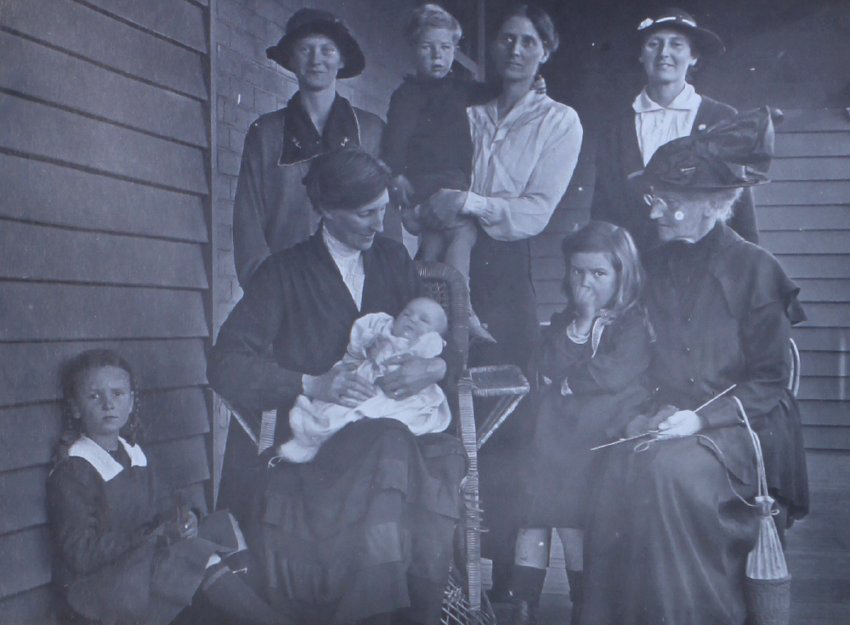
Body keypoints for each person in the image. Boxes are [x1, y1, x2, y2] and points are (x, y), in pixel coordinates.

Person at [208, 148, 467, 625]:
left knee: (435, 454)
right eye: (365, 213)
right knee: (391, 445)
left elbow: (440, 338)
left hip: (396, 437)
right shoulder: (283, 272)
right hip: (324, 446)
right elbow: (225, 364)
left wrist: (435, 368)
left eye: (383, 211)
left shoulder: (391, 260)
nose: (378, 224)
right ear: (328, 209)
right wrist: (311, 381)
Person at [580, 107, 809, 625]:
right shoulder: (653, 267)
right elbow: (635, 357)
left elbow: (770, 380)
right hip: (669, 416)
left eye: (668, 202)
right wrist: (640, 413)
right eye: (652, 199)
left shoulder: (757, 269)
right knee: (613, 468)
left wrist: (701, 420)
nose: (655, 213)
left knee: (670, 475)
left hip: (746, 427)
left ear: (710, 205)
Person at [418, 2, 583, 597]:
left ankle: (508, 584)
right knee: (441, 408)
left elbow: (534, 213)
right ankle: (448, 573)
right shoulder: (468, 112)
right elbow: (429, 183)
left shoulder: (559, 121)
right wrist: (444, 206)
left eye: (529, 41)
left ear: (546, 50)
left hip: (506, 270)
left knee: (505, 424)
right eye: (507, 38)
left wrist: (467, 203)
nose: (515, 49)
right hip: (447, 264)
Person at [47, 349, 280, 625]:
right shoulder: (75, 469)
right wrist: (150, 537)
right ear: (75, 407)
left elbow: (171, 504)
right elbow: (81, 554)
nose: (108, 404)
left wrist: (187, 519)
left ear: (131, 402)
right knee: (195, 554)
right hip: (103, 588)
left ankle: (258, 610)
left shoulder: (133, 454)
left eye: (118, 394)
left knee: (221, 523)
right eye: (94, 396)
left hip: (143, 563)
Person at [508, 222, 651, 625]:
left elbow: (616, 372)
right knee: (534, 515)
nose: (585, 283)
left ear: (623, 276)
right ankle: (523, 603)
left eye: (598, 274)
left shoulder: (631, 325)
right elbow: (545, 366)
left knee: (574, 522)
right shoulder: (563, 324)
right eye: (577, 272)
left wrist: (571, 380)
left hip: (598, 435)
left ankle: (585, 604)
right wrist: (583, 322)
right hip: (555, 437)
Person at [233, 8, 390, 285]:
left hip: (357, 289)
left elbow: (388, 224)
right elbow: (249, 225)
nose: (316, 60)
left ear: (341, 60)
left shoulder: (371, 131)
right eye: (305, 49)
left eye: (327, 50)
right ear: (291, 59)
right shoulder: (265, 134)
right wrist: (268, 291)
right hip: (286, 289)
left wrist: (383, 286)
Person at [590, 7, 759, 252]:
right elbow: (602, 212)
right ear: (641, 55)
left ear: (693, 56)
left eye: (676, 45)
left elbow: (739, 206)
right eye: (654, 44)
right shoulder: (616, 129)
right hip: (636, 266)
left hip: (705, 265)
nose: (663, 53)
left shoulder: (721, 119)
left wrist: (748, 271)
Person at [383, 3, 495, 341]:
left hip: (453, 183)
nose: (437, 56)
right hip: (427, 184)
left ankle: (418, 312)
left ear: (455, 50)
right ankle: (465, 312)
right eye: (428, 47)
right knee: (464, 232)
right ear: (414, 49)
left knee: (433, 248)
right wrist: (396, 174)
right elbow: (394, 141)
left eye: (446, 48)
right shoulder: (405, 96)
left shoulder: (463, 88)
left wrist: (534, 87)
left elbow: (501, 93)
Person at [277, 296, 451, 464]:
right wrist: (370, 345)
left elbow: (447, 350)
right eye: (406, 314)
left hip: (401, 397)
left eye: (423, 320)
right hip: (365, 382)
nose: (412, 319)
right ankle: (309, 444)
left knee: (386, 424)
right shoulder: (381, 332)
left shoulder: (427, 344)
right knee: (334, 412)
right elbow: (356, 348)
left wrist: (436, 363)